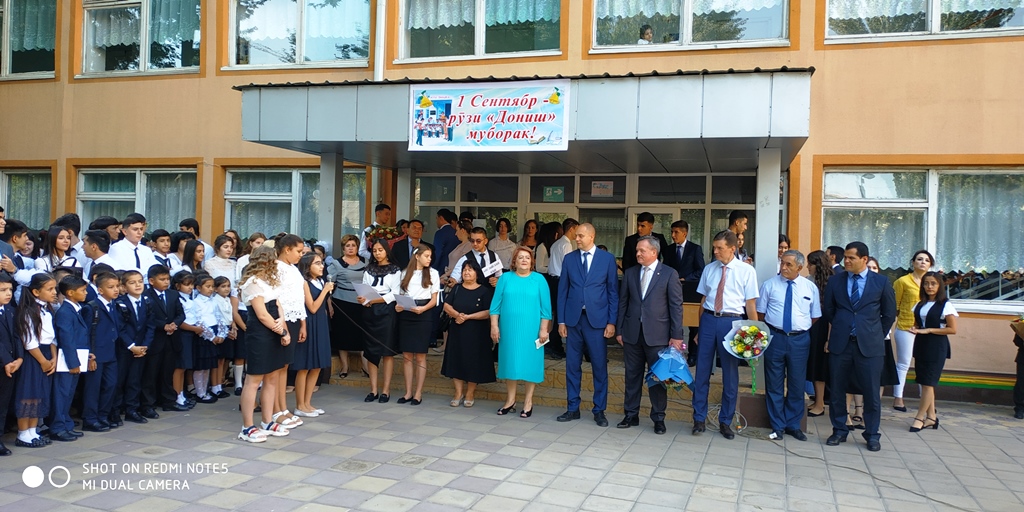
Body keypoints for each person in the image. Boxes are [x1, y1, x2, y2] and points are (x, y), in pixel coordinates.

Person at [822, 242, 897, 453]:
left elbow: (889, 314)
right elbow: (829, 310)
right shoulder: (836, 281)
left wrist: (874, 334)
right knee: (837, 389)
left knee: (871, 392)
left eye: (851, 258)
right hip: (841, 343)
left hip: (870, 345)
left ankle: (872, 434)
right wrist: (842, 327)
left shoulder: (881, 282)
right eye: (845, 257)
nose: (846, 261)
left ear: (864, 259)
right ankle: (839, 430)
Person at [692, 230, 759, 440]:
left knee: (730, 374)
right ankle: (699, 418)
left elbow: (750, 305)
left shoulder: (746, 271)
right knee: (702, 371)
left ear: (732, 248)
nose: (715, 251)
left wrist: (753, 336)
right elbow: (703, 300)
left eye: (719, 248)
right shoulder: (709, 269)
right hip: (709, 319)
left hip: (732, 322)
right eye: (714, 247)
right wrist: (699, 328)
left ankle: (725, 421)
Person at [616, 236, 683, 435]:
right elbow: (623, 302)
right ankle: (631, 414)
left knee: (658, 378)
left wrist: (676, 336)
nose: (637, 254)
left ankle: (659, 418)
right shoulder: (630, 273)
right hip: (632, 334)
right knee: (632, 376)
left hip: (658, 335)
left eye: (642, 251)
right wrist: (619, 330)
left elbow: (676, 307)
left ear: (654, 252)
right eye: (637, 250)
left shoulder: (669, 274)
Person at [556, 223, 618, 427]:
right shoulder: (569, 258)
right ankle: (572, 408)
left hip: (597, 321)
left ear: (592, 236)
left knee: (599, 366)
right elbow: (562, 291)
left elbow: (612, 292)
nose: (577, 239)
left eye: (581, 236)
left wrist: (611, 321)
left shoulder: (607, 259)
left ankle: (599, 410)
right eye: (576, 235)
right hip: (573, 320)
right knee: (572, 366)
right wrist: (561, 321)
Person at [757, 250, 821, 441]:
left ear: (799, 267)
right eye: (782, 263)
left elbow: (815, 315)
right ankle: (777, 426)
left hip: (799, 340)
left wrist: (798, 328)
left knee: (796, 383)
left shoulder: (810, 288)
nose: (783, 267)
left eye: (788, 265)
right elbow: (760, 313)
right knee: (774, 383)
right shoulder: (769, 285)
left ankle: (793, 425)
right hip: (775, 337)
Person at [237, 246, 292, 442]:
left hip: (274, 330)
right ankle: (247, 427)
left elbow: (277, 305)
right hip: (260, 334)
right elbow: (261, 314)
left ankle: (267, 421)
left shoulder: (269, 281)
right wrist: (281, 331)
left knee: (272, 377)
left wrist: (282, 323)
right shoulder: (252, 283)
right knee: (254, 380)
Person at [491, 246, 551, 418]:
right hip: (509, 330)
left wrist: (543, 330)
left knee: (530, 364)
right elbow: (495, 306)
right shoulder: (505, 278)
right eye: (520, 257)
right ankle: (510, 400)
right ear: (514, 261)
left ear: (532, 262)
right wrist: (494, 326)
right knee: (510, 362)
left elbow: (546, 309)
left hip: (532, 330)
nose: (524, 260)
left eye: (527, 257)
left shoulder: (539, 280)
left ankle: (528, 402)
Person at [441, 258, 495, 407]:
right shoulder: (457, 288)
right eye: (464, 270)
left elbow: (488, 312)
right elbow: (446, 305)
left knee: (474, 361)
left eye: (470, 270)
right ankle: (458, 393)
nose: (466, 272)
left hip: (477, 332)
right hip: (457, 330)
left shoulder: (484, 291)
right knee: (456, 359)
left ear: (477, 273)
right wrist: (457, 315)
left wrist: (468, 317)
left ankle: (470, 393)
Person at [908, 271, 957, 432]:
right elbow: (919, 323)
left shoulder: (945, 305)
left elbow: (952, 329)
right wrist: (916, 328)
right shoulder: (920, 304)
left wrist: (928, 330)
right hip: (921, 344)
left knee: (928, 383)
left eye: (933, 283)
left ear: (940, 285)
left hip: (936, 346)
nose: (929, 286)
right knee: (924, 381)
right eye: (926, 283)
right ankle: (931, 418)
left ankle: (919, 417)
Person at [14, 273, 57, 448]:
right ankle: (23, 432)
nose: (54, 292)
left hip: (46, 353)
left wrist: (53, 358)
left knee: (39, 394)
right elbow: (29, 341)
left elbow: (52, 338)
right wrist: (43, 361)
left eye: (54, 288)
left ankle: (32, 430)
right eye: (50, 289)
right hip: (34, 357)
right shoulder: (28, 312)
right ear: (36, 292)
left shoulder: (48, 310)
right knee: (29, 394)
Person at [358, 238, 402, 404]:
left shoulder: (395, 270)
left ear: (387, 251)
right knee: (371, 351)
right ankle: (373, 389)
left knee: (387, 351)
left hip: (387, 311)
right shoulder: (369, 269)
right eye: (374, 250)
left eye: (380, 250)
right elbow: (364, 288)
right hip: (370, 311)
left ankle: (386, 390)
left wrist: (374, 300)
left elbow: (395, 293)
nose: (377, 253)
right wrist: (363, 299)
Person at [396, 244, 440, 405]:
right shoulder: (404, 273)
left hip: (424, 313)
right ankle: (408, 392)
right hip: (407, 313)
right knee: (407, 356)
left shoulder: (433, 273)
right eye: (426, 256)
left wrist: (423, 309)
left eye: (430, 256)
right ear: (417, 256)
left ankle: (418, 393)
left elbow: (434, 299)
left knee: (421, 355)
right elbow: (400, 295)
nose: (429, 259)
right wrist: (399, 306)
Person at [892, 250, 934, 412]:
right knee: (904, 363)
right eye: (919, 259)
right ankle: (898, 398)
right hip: (906, 327)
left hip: (927, 329)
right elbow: (895, 306)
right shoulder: (902, 281)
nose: (923, 262)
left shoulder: (932, 282)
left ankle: (926, 401)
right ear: (913, 262)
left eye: (926, 260)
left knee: (924, 364)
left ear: (930, 264)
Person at [80, 272, 123, 432]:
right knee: (93, 387)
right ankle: (90, 418)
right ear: (100, 290)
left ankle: (103, 415)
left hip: (111, 353)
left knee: (110, 384)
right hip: (96, 354)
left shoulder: (114, 305)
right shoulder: (92, 307)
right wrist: (89, 355)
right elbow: (87, 333)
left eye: (117, 286)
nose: (116, 290)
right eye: (111, 287)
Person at [273, 235, 307, 429]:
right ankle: (276, 409)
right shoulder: (277, 268)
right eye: (298, 251)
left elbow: (298, 297)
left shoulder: (293, 268)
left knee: (285, 365)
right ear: (287, 249)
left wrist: (303, 323)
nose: (301, 255)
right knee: (278, 366)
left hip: (294, 319)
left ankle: (283, 407)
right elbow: (277, 298)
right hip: (282, 321)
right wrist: (283, 325)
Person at [141, 264, 184, 418]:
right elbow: (147, 317)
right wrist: (163, 325)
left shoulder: (173, 294)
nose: (166, 282)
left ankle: (168, 400)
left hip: (171, 339)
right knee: (151, 373)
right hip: (155, 339)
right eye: (162, 279)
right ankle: (148, 404)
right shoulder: (146, 295)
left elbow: (181, 314)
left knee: (167, 371)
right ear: (151, 281)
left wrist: (174, 324)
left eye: (167, 279)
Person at [293, 252, 333, 417]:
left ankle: (308, 403)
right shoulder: (304, 283)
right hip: (309, 323)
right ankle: (300, 405)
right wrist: (325, 291)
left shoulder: (321, 281)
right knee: (304, 366)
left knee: (317, 365)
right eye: (317, 263)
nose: (321, 266)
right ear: (307, 266)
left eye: (321, 263)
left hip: (321, 323)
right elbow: (312, 307)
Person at [51, 276, 90, 441]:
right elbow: (66, 339)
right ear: (70, 293)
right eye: (82, 290)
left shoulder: (76, 308)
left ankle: (66, 424)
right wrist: (73, 362)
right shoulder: (65, 312)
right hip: (67, 360)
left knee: (69, 394)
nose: (86, 293)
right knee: (62, 393)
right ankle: (57, 427)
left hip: (76, 357)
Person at [662, 220, 705, 363]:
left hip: (690, 291)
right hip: (672, 290)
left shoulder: (695, 249)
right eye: (672, 232)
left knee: (693, 325)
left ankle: (693, 354)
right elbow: (665, 269)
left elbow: (701, 270)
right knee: (673, 321)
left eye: (676, 232)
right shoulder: (668, 250)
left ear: (684, 233)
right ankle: (671, 352)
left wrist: (685, 278)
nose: (673, 235)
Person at [112, 271, 151, 425]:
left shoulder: (147, 301)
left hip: (141, 348)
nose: (137, 285)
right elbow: (120, 328)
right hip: (124, 348)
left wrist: (145, 345)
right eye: (132, 282)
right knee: (119, 380)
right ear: (124, 286)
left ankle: (132, 410)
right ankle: (115, 411)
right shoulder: (119, 303)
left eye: (140, 281)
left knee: (135, 380)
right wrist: (131, 346)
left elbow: (150, 326)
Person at [327, 235, 368, 379]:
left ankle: (365, 366)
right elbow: (329, 286)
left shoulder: (366, 262)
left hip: (362, 302)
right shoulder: (336, 264)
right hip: (342, 302)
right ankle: (345, 366)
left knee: (363, 334)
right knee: (342, 334)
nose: (351, 248)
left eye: (353, 245)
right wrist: (329, 305)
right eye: (347, 245)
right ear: (343, 248)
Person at [805, 250, 834, 418]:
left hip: (824, 326)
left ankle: (820, 403)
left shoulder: (831, 282)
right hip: (812, 325)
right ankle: (817, 400)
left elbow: (831, 312)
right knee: (814, 364)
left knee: (820, 365)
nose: (808, 267)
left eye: (811, 264)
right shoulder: (809, 280)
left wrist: (829, 338)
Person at [547, 218, 577, 359]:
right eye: (576, 230)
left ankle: (553, 343)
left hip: (552, 280)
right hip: (561, 281)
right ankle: (555, 345)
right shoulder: (566, 245)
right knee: (561, 314)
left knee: (556, 313)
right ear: (571, 229)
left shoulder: (556, 243)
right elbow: (569, 266)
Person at [0, 273, 23, 455]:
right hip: (4, 362)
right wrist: (6, 361)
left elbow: (16, 336)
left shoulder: (10, 310)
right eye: (3, 290)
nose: (8, 293)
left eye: (10, 289)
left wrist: (19, 358)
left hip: (10, 365)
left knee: (3, 404)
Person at [431, 209, 459, 274]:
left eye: (437, 218)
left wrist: (432, 268)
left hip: (441, 268)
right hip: (454, 267)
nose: (436, 221)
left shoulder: (440, 233)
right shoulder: (456, 232)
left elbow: (437, 252)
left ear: (441, 218)